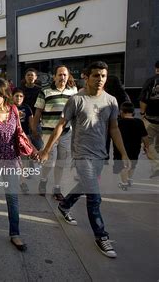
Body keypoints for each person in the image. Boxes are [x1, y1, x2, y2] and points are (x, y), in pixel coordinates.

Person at [39, 61, 130, 258]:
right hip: (81, 155)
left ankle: (64, 205)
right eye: (96, 75)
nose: (100, 79)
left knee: (84, 186)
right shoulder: (76, 100)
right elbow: (60, 125)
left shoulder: (111, 101)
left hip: (100, 154)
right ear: (86, 78)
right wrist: (47, 150)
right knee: (94, 197)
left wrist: (123, 154)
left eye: (103, 76)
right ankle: (101, 236)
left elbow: (113, 128)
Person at [0, 79, 33, 252]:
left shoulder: (13, 110)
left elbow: (20, 132)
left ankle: (14, 234)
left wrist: (33, 150)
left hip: (11, 158)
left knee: (12, 197)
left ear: (4, 95)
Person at [33, 65, 77, 200]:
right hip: (48, 132)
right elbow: (38, 112)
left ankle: (57, 187)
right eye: (60, 74)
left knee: (61, 162)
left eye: (65, 74)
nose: (62, 77)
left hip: (66, 133)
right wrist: (34, 129)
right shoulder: (45, 91)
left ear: (68, 76)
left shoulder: (73, 92)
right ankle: (44, 180)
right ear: (55, 76)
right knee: (49, 162)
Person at [113, 102, 149, 189]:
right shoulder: (139, 122)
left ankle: (124, 183)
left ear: (121, 111)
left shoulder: (118, 123)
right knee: (132, 164)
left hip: (120, 149)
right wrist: (146, 146)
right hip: (135, 148)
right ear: (133, 112)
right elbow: (145, 136)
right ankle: (129, 179)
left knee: (123, 166)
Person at [12, 88, 35, 193]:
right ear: (12, 97)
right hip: (11, 137)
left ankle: (22, 181)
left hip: (24, 136)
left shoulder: (26, 108)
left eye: (21, 96)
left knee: (23, 161)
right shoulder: (9, 107)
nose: (18, 98)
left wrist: (33, 133)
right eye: (16, 96)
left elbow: (31, 122)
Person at [139, 61, 159, 178]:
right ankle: (155, 168)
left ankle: (157, 165)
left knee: (147, 143)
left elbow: (143, 99)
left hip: (151, 118)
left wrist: (142, 113)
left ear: (156, 69)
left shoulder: (151, 81)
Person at [20, 68, 43, 150]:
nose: (30, 77)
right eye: (28, 75)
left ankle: (37, 162)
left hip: (36, 120)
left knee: (38, 146)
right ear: (25, 77)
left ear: (36, 77)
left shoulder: (40, 90)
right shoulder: (20, 90)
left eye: (32, 75)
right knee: (24, 147)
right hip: (23, 121)